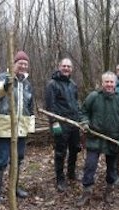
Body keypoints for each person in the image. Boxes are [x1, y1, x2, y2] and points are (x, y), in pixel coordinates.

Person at [77, 71, 119, 206]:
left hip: (113, 140)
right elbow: (83, 112)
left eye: (111, 82)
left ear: (115, 83)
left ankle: (109, 191)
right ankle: (87, 192)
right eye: (106, 81)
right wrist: (85, 123)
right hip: (94, 137)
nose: (109, 84)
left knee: (112, 168)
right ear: (102, 83)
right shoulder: (94, 97)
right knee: (90, 165)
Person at [0, 51, 35, 205]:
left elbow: (30, 107)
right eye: (20, 63)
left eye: (25, 64)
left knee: (18, 159)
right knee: (1, 160)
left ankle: (14, 188)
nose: (23, 66)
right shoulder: (3, 77)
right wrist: (6, 85)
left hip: (21, 129)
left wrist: (30, 127)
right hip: (4, 128)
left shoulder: (27, 84)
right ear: (13, 64)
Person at [45, 58, 81, 192]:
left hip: (74, 123)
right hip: (60, 124)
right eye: (64, 66)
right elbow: (50, 107)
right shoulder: (52, 85)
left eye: (69, 66)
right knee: (60, 152)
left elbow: (76, 103)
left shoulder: (73, 84)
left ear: (71, 69)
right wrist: (54, 124)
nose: (66, 68)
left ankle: (71, 173)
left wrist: (79, 120)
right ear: (59, 67)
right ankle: (60, 178)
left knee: (75, 149)